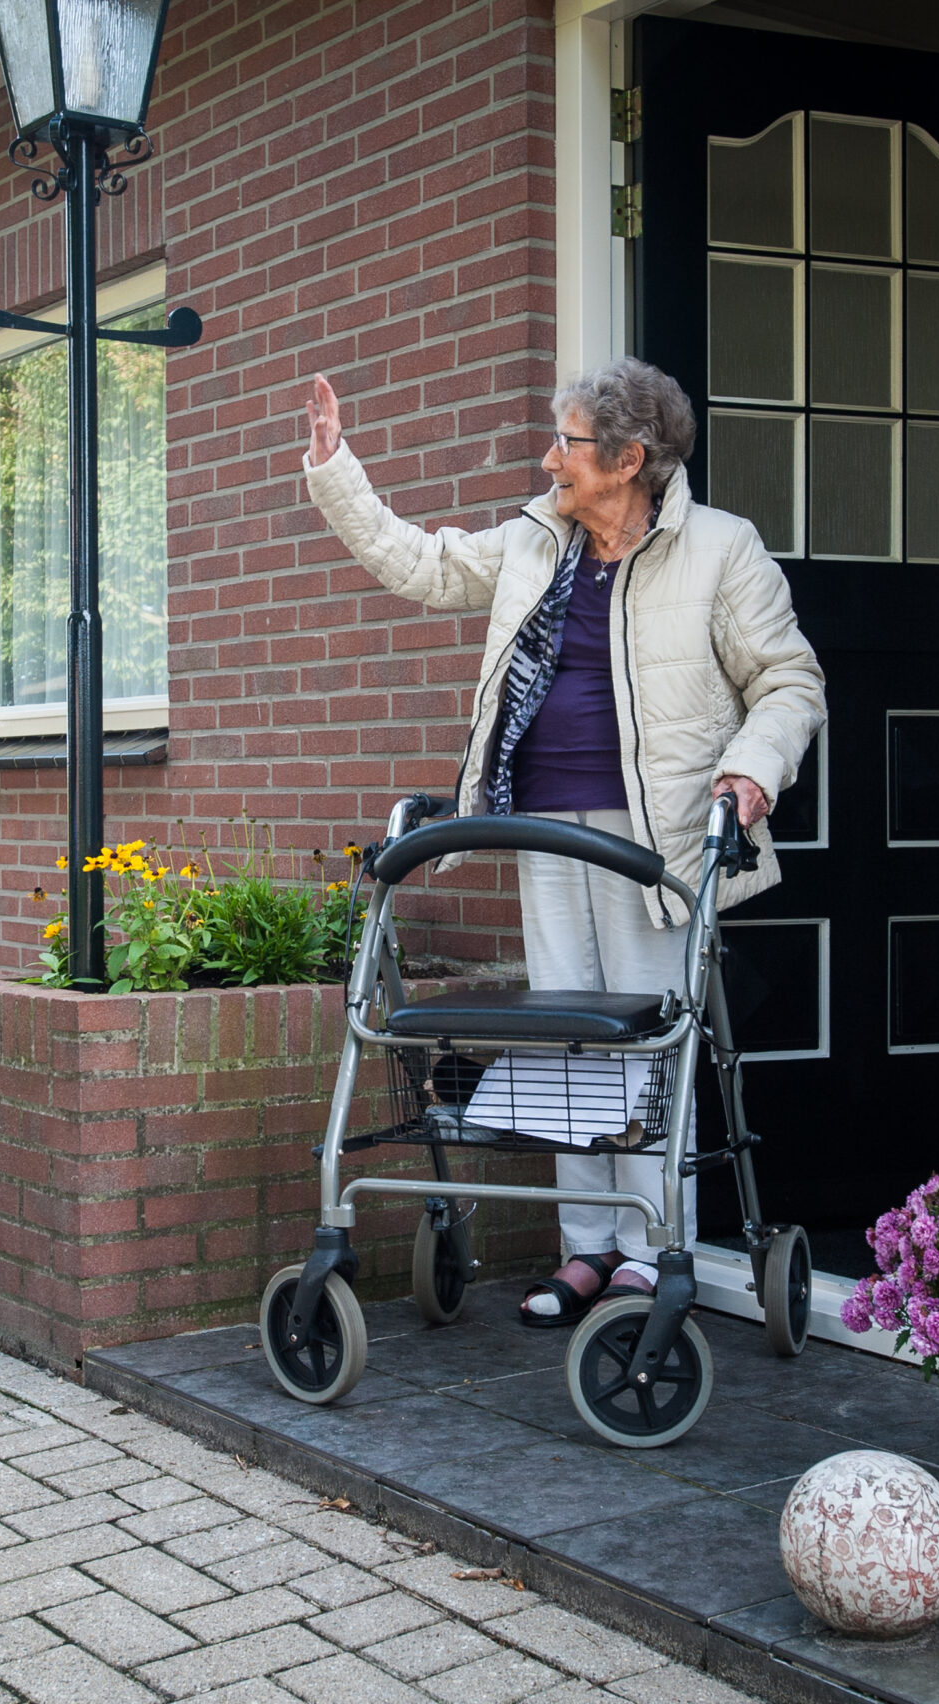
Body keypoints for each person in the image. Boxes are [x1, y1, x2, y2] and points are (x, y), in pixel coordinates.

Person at [301, 358, 825, 1327]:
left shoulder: (720, 549)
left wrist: (751, 769)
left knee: (645, 1047)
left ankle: (648, 1248)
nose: (549, 461)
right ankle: (585, 1251)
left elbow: (789, 681)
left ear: (629, 460)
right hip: (544, 826)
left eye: (568, 445)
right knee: (567, 1047)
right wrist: (336, 467)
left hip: (655, 841)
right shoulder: (536, 540)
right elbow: (419, 561)